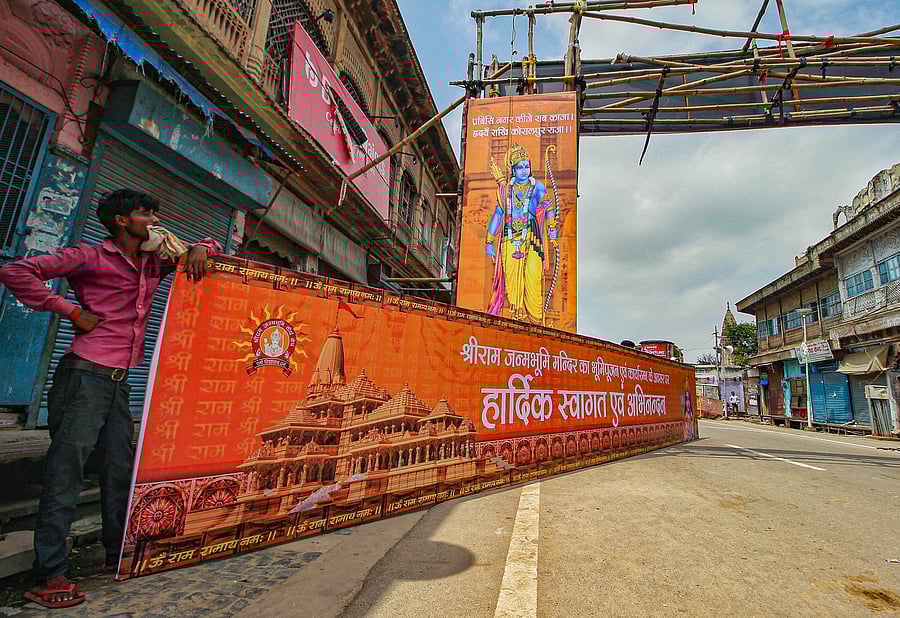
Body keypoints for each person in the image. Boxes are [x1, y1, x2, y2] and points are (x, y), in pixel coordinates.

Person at [0, 189, 220, 609]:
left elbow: (215, 247)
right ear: (121, 221)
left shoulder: (156, 260)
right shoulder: (89, 257)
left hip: (120, 383)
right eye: (145, 214)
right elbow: (17, 271)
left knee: (120, 472)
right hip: (83, 378)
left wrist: (197, 247)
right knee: (67, 473)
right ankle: (52, 574)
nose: (154, 219)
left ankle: (117, 556)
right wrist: (69, 310)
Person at [485, 143, 559, 324]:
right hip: (510, 238)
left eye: (527, 166)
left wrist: (552, 229)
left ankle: (536, 321)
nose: (524, 170)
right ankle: (518, 319)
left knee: (533, 278)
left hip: (532, 238)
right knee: (513, 283)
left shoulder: (538, 187)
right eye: (520, 167)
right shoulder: (505, 191)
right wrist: (489, 240)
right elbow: (498, 214)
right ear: (513, 169)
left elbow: (548, 208)